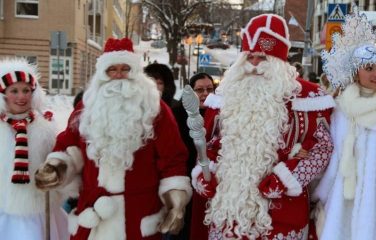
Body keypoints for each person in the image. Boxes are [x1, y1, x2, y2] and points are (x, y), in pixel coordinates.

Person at [191, 13, 336, 239]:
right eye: (250, 57)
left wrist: (287, 178)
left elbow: (321, 148)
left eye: (263, 58)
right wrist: (204, 172)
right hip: (229, 216)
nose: (255, 65)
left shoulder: (309, 98)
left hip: (282, 215)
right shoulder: (228, 95)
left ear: (279, 60)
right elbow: (213, 143)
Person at [34, 37, 192, 240]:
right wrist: (56, 167)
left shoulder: (156, 109)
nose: (118, 75)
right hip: (92, 217)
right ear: (103, 73)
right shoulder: (87, 107)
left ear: (135, 72)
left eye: (125, 68)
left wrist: (176, 200)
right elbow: (70, 145)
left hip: (137, 215)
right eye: (112, 69)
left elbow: (172, 158)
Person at [312, 6, 376, 240]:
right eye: (369, 68)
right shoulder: (340, 111)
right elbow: (333, 160)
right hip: (344, 204)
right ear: (355, 73)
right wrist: (318, 195)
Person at [0, 58, 68, 239]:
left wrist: (54, 173)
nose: (21, 96)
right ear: (3, 94)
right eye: (14, 90)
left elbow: (58, 159)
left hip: (38, 208)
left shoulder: (45, 126)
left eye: (26, 90)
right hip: (4, 209)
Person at [170, 72, 215, 240]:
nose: (205, 94)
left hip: (209, 184)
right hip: (184, 183)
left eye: (210, 89)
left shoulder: (220, 115)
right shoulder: (177, 115)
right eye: (200, 90)